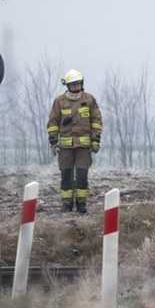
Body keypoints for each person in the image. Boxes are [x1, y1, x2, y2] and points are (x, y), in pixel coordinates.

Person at [46, 69, 103, 213]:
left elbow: (96, 120)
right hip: (65, 148)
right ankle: (66, 205)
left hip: (84, 147)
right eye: (73, 84)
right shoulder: (59, 102)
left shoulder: (89, 100)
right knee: (66, 176)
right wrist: (53, 141)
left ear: (82, 83)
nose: (76, 86)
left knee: (82, 176)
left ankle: (81, 204)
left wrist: (95, 139)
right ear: (68, 85)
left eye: (78, 84)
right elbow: (53, 122)